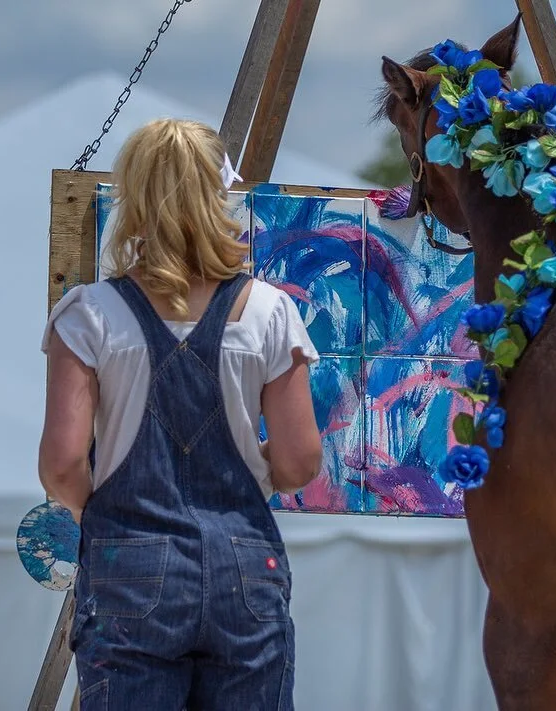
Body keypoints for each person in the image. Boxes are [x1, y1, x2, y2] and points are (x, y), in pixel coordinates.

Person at [37, 118, 322, 710]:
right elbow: (299, 462)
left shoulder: (89, 314)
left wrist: (117, 510)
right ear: (218, 195)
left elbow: (62, 464)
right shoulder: (270, 311)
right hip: (246, 564)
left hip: (129, 562)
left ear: (133, 197)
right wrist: (257, 467)